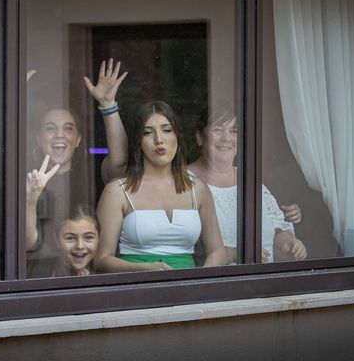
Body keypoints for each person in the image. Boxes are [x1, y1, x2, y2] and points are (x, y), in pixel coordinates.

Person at [94, 101, 226, 272]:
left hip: (189, 288)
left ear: (177, 136)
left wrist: (200, 278)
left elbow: (218, 250)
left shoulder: (198, 189)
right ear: (138, 141)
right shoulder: (116, 191)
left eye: (167, 130)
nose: (159, 140)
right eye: (148, 132)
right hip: (136, 288)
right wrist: (144, 269)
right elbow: (101, 260)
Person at [25, 59, 128, 277]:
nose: (60, 135)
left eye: (68, 129)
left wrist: (108, 104)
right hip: (40, 274)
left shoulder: (91, 173)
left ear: (79, 138)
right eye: (50, 129)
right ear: (38, 138)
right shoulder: (28, 175)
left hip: (90, 272)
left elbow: (119, 161)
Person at [187, 109, 307, 263]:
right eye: (218, 130)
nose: (226, 138)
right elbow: (184, 246)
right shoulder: (184, 182)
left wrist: (289, 244)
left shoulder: (249, 180)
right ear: (199, 137)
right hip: (218, 283)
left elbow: (276, 228)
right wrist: (235, 253)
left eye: (234, 131)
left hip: (264, 281)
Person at [50, 209, 100, 277]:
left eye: (88, 237)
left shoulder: (93, 275)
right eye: (70, 238)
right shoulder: (50, 275)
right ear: (56, 240)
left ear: (99, 238)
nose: (80, 246)